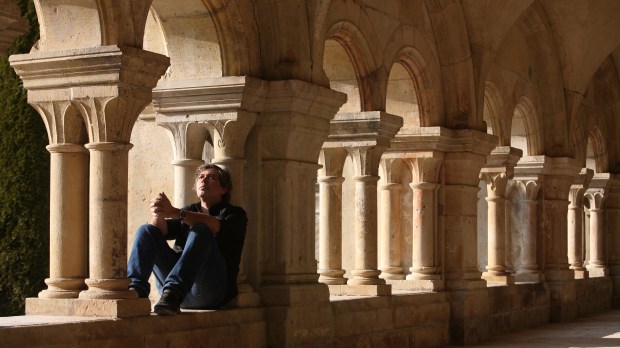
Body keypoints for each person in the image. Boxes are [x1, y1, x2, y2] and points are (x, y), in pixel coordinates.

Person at [127, 163, 247, 315]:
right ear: (196, 187)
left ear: (224, 189)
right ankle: (136, 291)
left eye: (211, 177)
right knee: (146, 230)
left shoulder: (235, 214)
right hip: (171, 296)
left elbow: (214, 225)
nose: (204, 180)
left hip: (209, 292)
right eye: (201, 177)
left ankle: (173, 291)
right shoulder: (189, 210)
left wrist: (176, 212)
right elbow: (161, 230)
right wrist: (159, 212)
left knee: (202, 229)